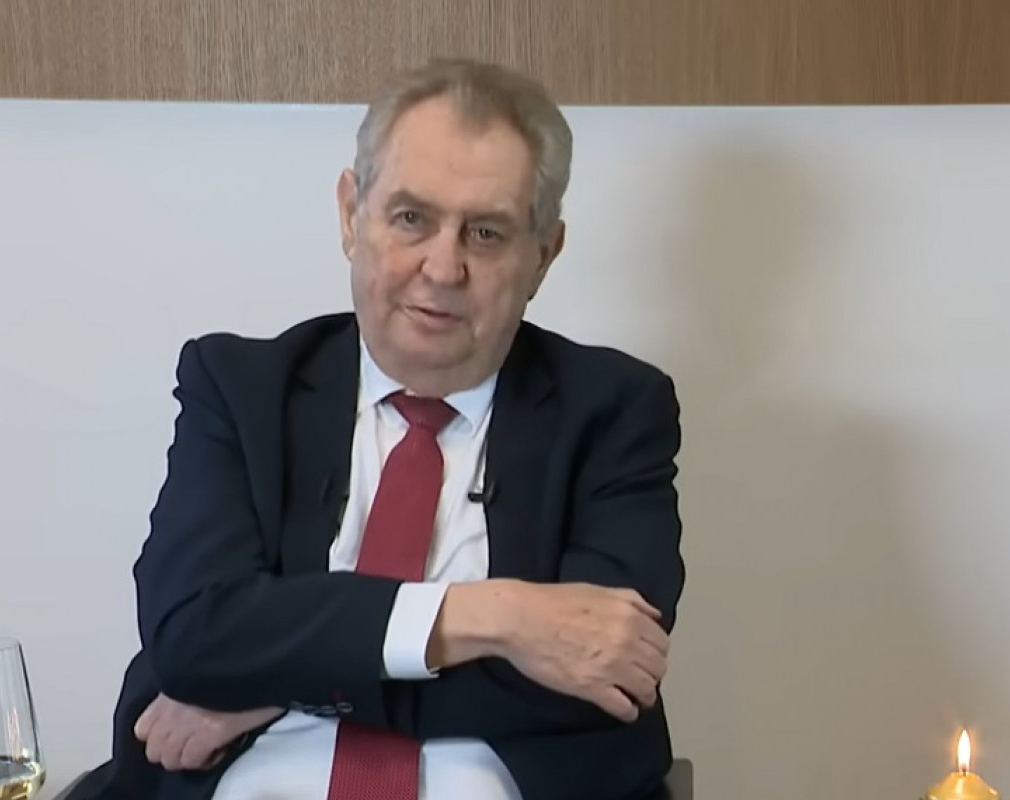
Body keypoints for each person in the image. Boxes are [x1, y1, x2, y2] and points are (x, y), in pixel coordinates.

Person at [69, 57, 684, 800]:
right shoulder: (241, 388)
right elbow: (193, 634)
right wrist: (494, 615)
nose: (443, 268)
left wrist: (282, 684)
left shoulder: (616, 413)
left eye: (486, 233)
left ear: (542, 256)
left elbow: (602, 671)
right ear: (350, 215)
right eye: (411, 218)